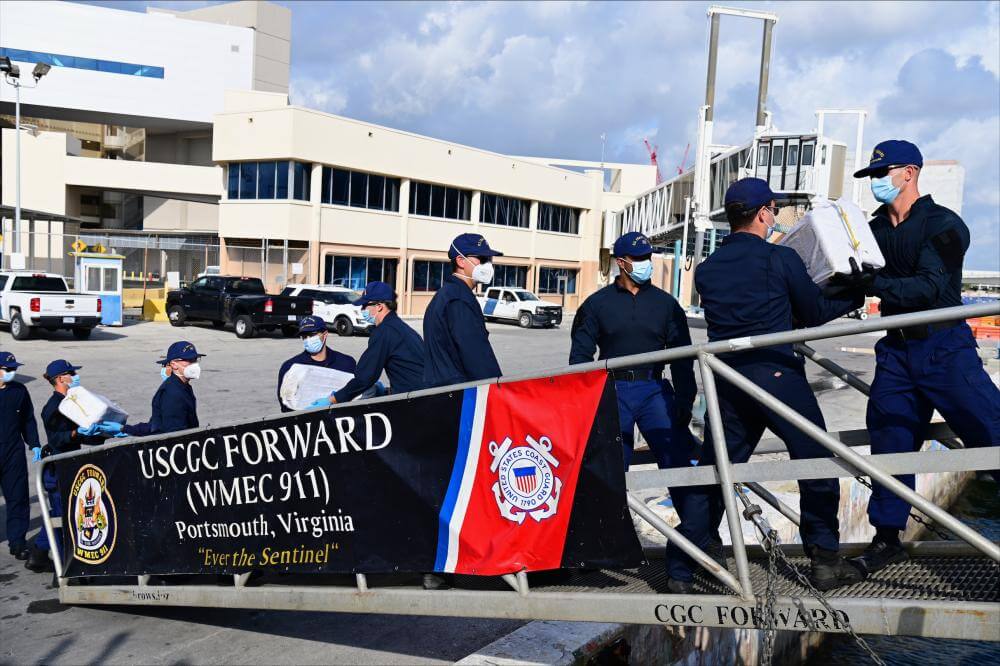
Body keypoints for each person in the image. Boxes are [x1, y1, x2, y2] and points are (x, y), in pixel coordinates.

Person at [667, 177, 865, 593]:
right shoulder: (782, 259)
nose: (773, 218)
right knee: (815, 461)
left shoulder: (707, 270)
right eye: (772, 211)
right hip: (775, 375)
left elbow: (746, 310)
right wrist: (854, 294)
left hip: (728, 380)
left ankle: (682, 568)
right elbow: (811, 311)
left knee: (716, 469)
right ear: (763, 213)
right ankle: (825, 560)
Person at [844, 140, 1000, 576]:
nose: (875, 183)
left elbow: (929, 288)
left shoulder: (945, 224)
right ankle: (887, 539)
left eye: (881, 174)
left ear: (909, 173)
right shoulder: (872, 231)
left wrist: (874, 283)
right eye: (871, 177)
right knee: (890, 439)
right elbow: (847, 287)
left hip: (945, 349)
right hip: (896, 351)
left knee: (992, 433)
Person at [569, 231, 697, 471]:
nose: (645, 263)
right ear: (621, 262)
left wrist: (685, 398)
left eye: (647, 257)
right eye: (637, 258)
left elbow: (682, 357)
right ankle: (616, 510)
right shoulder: (597, 304)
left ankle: (690, 507)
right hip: (613, 392)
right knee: (612, 469)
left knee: (678, 462)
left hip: (654, 390)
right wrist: (586, 403)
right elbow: (580, 359)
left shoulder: (666, 304)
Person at [25, 360, 106, 573]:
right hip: (59, 467)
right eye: (71, 373)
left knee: (60, 514)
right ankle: (65, 571)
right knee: (65, 518)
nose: (74, 376)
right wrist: (75, 434)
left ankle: (39, 554)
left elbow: (83, 429)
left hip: (70, 463)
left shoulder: (71, 400)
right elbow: (57, 438)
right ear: (61, 378)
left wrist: (102, 435)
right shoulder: (54, 407)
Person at [313, 282, 425, 405]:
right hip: (424, 395)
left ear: (379, 306)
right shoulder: (401, 328)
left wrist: (333, 399)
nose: (362, 309)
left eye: (365, 305)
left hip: (413, 402)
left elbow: (365, 377)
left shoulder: (384, 332)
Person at [422, 233, 503, 388]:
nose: (489, 265)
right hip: (459, 396)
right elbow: (477, 358)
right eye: (483, 259)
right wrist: (498, 388)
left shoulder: (447, 294)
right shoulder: (458, 299)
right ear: (460, 261)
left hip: (444, 391)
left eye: (490, 260)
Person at [97, 341, 205, 437]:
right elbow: (172, 434)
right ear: (174, 364)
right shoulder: (173, 393)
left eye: (195, 360)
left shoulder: (184, 386)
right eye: (189, 361)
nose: (194, 364)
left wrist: (125, 429)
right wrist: (125, 429)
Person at [0, 352, 40, 562]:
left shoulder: (19, 391)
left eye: (14, 369)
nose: (12, 373)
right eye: (8, 370)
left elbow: (28, 420)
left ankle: (17, 542)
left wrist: (34, 443)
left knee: (18, 497)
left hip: (12, 452)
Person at [278, 315, 356, 412]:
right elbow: (286, 404)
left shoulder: (346, 363)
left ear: (325, 334)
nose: (308, 339)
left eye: (312, 335)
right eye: (304, 336)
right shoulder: (291, 367)